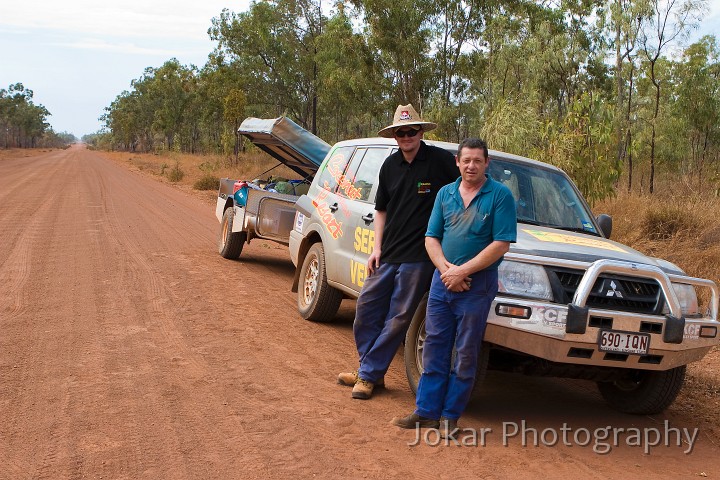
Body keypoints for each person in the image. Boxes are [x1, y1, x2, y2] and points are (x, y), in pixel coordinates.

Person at [391, 137, 517, 433]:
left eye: (477, 160)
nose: (471, 165)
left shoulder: (499, 196)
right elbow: (431, 237)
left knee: (465, 350)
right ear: (457, 163)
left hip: (478, 284)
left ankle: (450, 417)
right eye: (466, 160)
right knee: (434, 345)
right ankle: (426, 412)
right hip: (442, 282)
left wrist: (462, 271)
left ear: (487, 163)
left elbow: (501, 244)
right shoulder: (445, 194)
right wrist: (446, 270)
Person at [337, 104, 459, 400]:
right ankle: (370, 368)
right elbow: (381, 210)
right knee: (366, 308)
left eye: (412, 130)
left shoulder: (441, 161)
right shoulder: (390, 165)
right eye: (401, 132)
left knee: (398, 316)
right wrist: (376, 248)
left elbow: (463, 191)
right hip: (388, 252)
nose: (407, 136)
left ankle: (367, 375)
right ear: (394, 136)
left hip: (420, 257)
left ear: (420, 132)